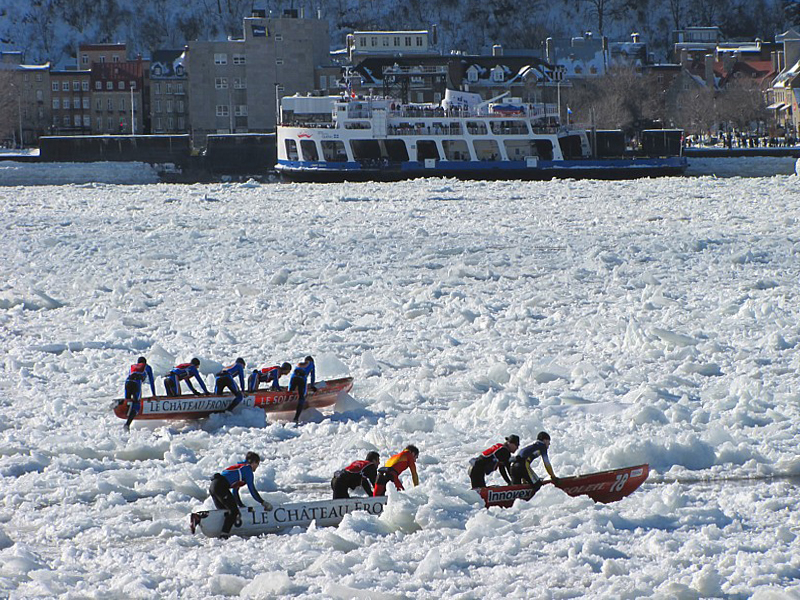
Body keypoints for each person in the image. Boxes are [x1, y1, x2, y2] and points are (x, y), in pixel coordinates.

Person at [208, 451, 271, 537]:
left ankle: (221, 531)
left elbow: (235, 492)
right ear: (253, 462)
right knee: (233, 511)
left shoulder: (241, 468)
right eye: (257, 463)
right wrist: (263, 502)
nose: (257, 466)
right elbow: (252, 490)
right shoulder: (248, 470)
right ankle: (224, 535)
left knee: (225, 512)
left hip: (213, 487)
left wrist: (240, 505)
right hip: (220, 487)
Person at [123, 356, 156, 431]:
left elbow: (129, 376)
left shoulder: (133, 366)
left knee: (127, 401)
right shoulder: (147, 367)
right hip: (136, 383)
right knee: (137, 405)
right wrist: (154, 394)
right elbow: (151, 381)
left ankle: (124, 408)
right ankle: (127, 424)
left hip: (127, 383)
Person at [290, 356, 316, 423]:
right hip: (301, 379)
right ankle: (296, 418)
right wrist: (312, 386)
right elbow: (312, 376)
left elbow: (292, 375)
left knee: (290, 392)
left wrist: (289, 390)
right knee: (302, 398)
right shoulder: (311, 364)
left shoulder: (299, 364)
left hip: (293, 378)